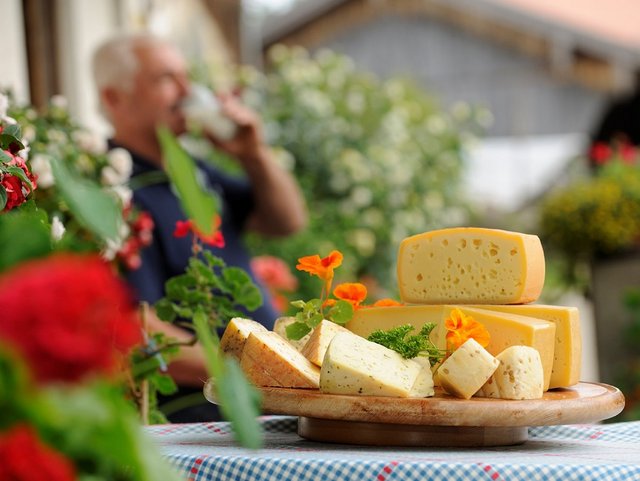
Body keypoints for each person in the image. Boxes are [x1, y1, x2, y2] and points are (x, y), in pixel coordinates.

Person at [92, 33, 307, 422]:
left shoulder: (189, 167)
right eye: (165, 79)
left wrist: (253, 153)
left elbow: (286, 221)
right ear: (114, 99)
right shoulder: (110, 190)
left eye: (185, 76)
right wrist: (258, 374)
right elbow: (136, 329)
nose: (187, 91)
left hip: (260, 396)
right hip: (205, 413)